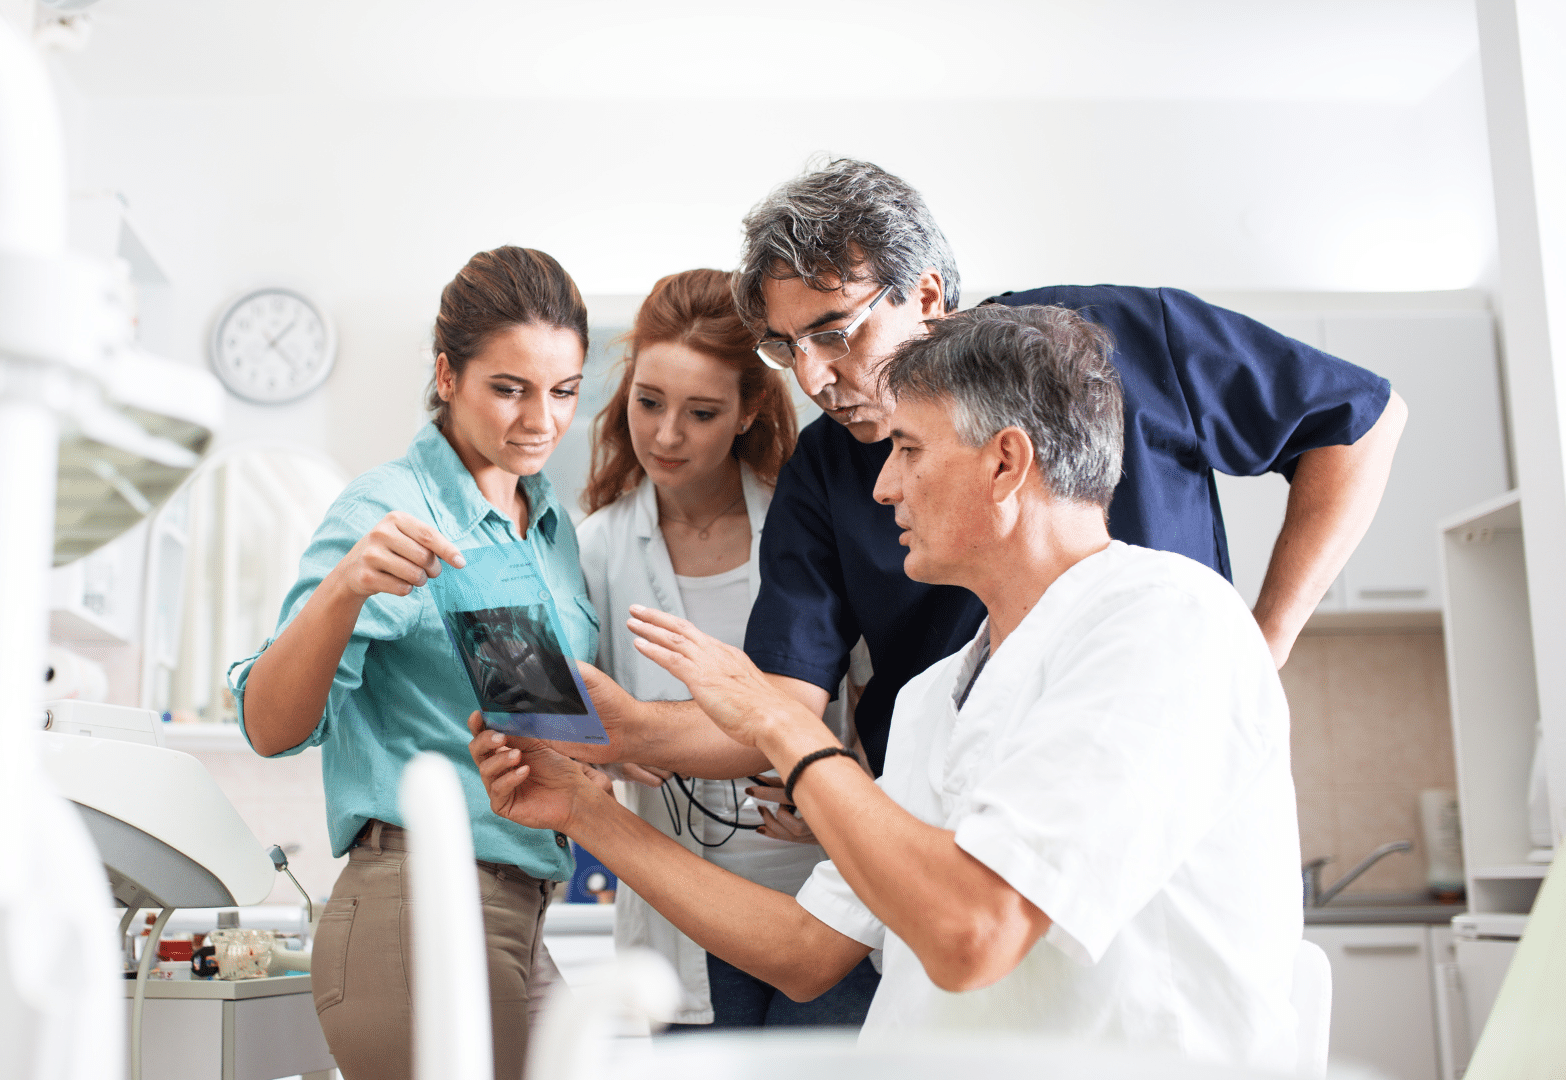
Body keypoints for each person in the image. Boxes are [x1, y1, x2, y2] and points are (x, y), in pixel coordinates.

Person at [471, 305, 1303, 1069]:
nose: (882, 487)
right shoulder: (936, 694)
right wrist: (586, 812)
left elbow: (973, 932)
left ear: (1005, 462)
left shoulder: (1164, 621)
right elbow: (806, 949)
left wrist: (777, 723)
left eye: (908, 449)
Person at [566, 158, 1406, 779]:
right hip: (955, 812)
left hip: (1169, 763)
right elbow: (783, 705)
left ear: (927, 298)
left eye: (835, 332)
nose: (814, 380)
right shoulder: (830, 469)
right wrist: (630, 728)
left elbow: (1359, 422)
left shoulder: (1116, 341)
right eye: (785, 348)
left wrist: (1264, 644)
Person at [228, 246, 596, 1080]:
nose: (541, 418)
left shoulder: (550, 531)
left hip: (523, 903)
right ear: (446, 375)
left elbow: (536, 719)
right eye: (510, 388)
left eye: (564, 391)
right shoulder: (387, 506)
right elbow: (268, 727)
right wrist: (344, 589)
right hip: (420, 901)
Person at [576, 268, 878, 1028]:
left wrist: (838, 793)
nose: (667, 435)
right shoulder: (599, 548)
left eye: (702, 412)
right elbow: (572, 720)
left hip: (827, 898)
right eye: (649, 403)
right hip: (683, 912)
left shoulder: (805, 530)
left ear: (747, 412)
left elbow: (880, 703)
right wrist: (613, 749)